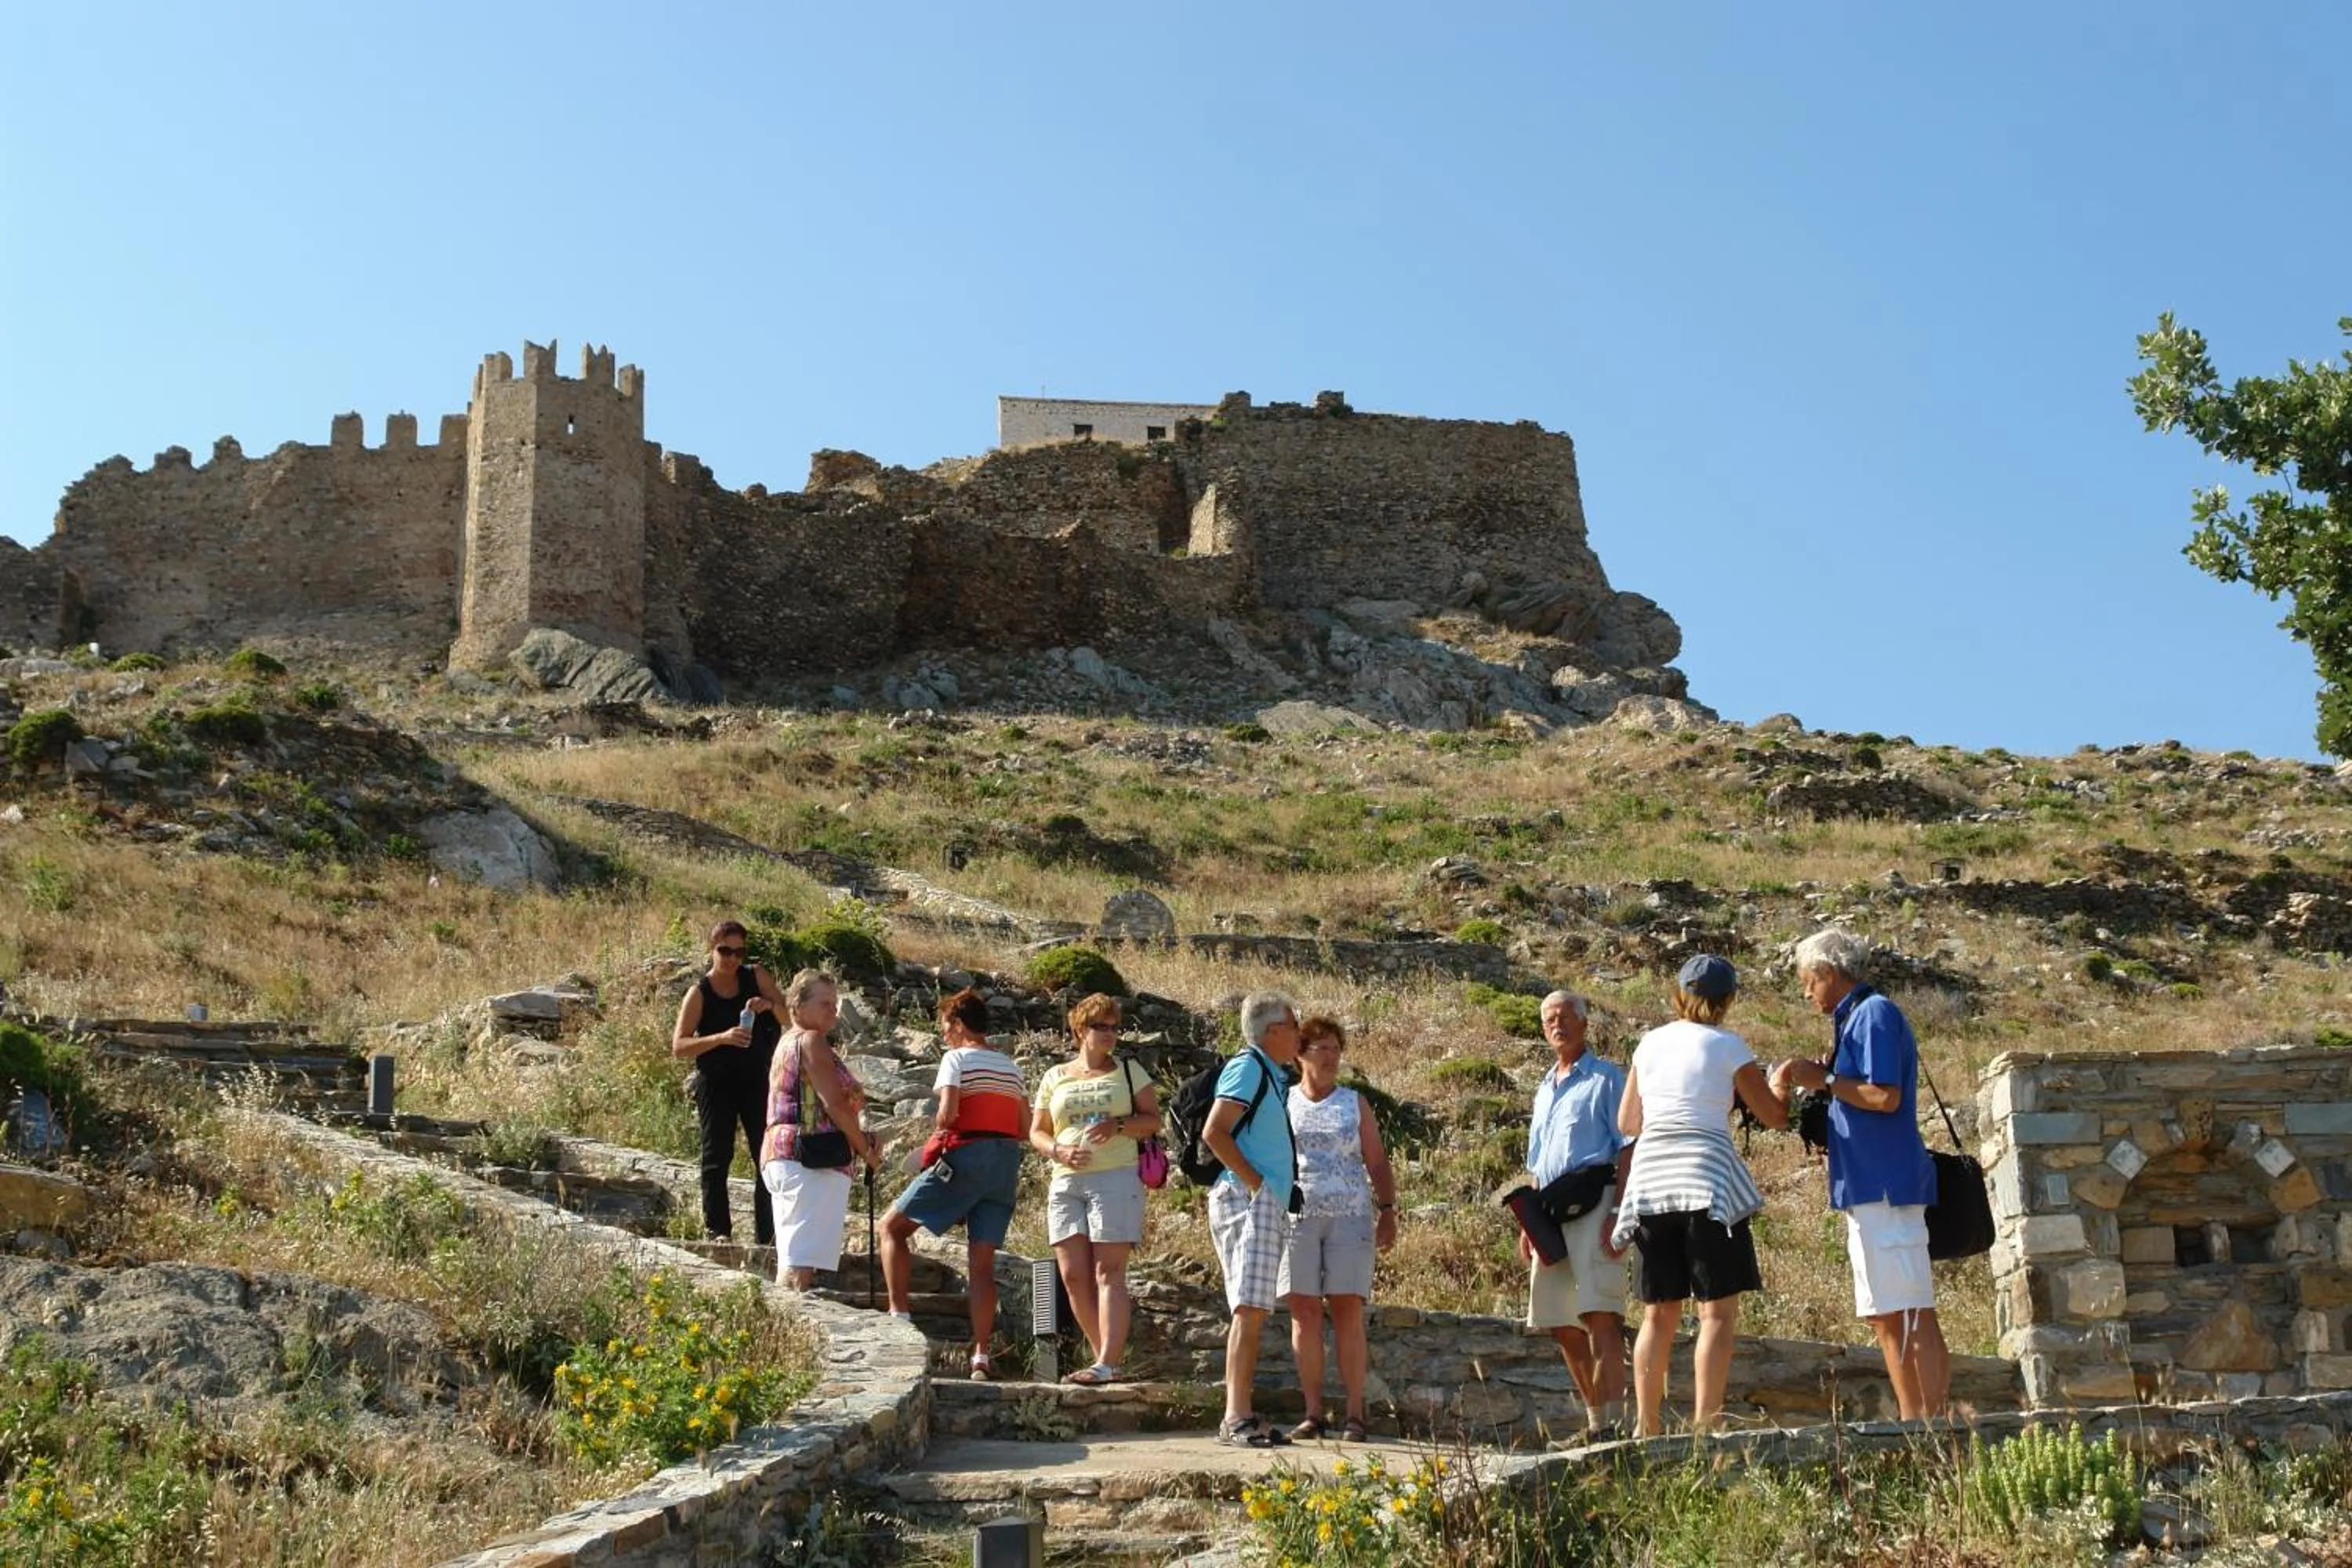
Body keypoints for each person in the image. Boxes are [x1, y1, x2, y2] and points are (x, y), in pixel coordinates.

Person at [1771, 929, 1950, 1421]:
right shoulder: (1855, 1019)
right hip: (1868, 1186)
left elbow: (1884, 1096)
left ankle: (1930, 1425)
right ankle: (1917, 1422)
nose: (1807, 993)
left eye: (1809, 982)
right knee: (1885, 1312)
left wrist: (1824, 1080)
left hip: (1885, 1186)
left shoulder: (1873, 1014)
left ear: (1829, 972)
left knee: (1908, 1309)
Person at [1611, 954, 1788, 1436]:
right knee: (1716, 1313)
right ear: (1727, 1000)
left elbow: (1628, 1123)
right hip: (1706, 1180)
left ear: (1679, 993)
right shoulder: (1728, 1045)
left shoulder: (1649, 1044)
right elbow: (1773, 1115)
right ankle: (1706, 1426)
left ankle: (1646, 1426)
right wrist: (1781, 1083)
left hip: (1651, 1183)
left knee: (1658, 1313)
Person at [880, 988, 1029, 1378]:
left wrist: (934, 1140)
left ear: (959, 1025)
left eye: (945, 1025)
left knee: (891, 1228)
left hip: (967, 1154)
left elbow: (947, 1115)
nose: (944, 1034)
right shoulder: (1011, 1068)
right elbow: (1025, 1128)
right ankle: (981, 1355)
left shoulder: (956, 1059)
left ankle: (899, 1319)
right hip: (1005, 1162)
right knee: (981, 1266)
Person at [1029, 992, 1162, 1386]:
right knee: (1072, 1275)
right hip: (1066, 1179)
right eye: (1099, 1027)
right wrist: (1058, 1150)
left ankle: (1106, 1362)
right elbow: (1036, 1131)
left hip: (1116, 1176)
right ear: (1079, 1030)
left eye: (1113, 1027)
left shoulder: (1128, 1071)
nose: (1108, 1034)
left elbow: (1152, 1120)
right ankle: (1102, 1360)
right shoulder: (1054, 1076)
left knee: (1110, 1271)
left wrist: (1117, 1126)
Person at [1520, 989, 1633, 1442]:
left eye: (1565, 1017)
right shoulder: (1544, 1088)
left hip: (1597, 1201)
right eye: (1549, 1019)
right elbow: (1535, 1164)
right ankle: (1595, 1423)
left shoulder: (1607, 1079)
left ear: (1585, 1023)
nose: (1557, 1026)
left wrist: (1621, 1213)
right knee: (1559, 1321)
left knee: (1600, 1314)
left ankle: (1616, 1428)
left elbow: (1628, 1147)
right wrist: (1528, 1224)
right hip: (1549, 1208)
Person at [1279, 1016, 1397, 1443]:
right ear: (1300, 1055)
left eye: (1335, 1048)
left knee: (1348, 1310)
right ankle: (1313, 1413)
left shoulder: (1354, 1102)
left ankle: (1355, 1414)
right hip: (1296, 1219)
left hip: (1350, 1216)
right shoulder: (1283, 1101)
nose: (1330, 1057)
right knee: (1305, 1313)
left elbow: (1377, 1161)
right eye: (1321, 1049)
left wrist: (1388, 1210)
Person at [1202, 991, 1304, 1448]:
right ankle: (1235, 1416)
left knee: (1254, 1306)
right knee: (1248, 1305)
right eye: (1294, 1026)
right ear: (1273, 1031)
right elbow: (1214, 1131)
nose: (1300, 1035)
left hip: (1262, 1201)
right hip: (1250, 1200)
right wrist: (1257, 1185)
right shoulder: (1247, 1067)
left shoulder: (1271, 1076)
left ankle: (1239, 1413)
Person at [758, 969, 880, 1290]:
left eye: (835, 1003)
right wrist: (866, 1152)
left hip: (785, 1153)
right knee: (800, 1265)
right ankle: (787, 1330)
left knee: (793, 1256)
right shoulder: (811, 1041)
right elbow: (835, 1105)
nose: (833, 1010)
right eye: (825, 1003)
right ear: (796, 1005)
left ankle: (782, 1332)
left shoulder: (789, 1042)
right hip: (810, 1158)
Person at [670, 920, 788, 1247]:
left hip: (757, 1079)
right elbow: (679, 1046)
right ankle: (718, 1231)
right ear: (712, 949)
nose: (733, 959)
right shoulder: (699, 992)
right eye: (725, 951)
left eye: (739, 952)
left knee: (765, 1156)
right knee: (716, 1156)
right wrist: (721, 1038)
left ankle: (769, 1236)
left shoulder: (756, 977)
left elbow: (790, 1018)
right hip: (716, 1082)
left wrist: (770, 1006)